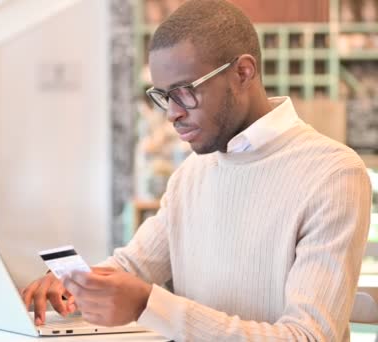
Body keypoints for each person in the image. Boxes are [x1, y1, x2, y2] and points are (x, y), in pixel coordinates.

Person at [21, 0, 372, 340]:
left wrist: (149, 303)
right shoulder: (192, 172)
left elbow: (308, 337)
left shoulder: (333, 174)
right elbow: (134, 265)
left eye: (184, 92)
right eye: (163, 96)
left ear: (242, 72)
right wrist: (76, 282)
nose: (172, 113)